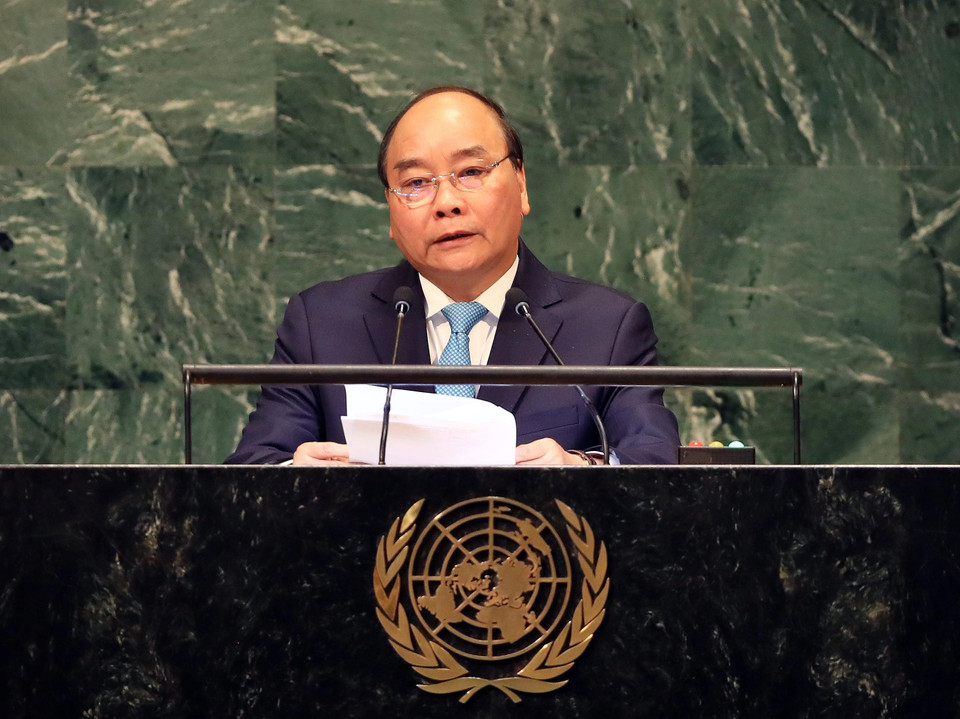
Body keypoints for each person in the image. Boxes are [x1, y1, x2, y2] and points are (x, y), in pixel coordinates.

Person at [226, 86, 680, 466]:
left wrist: (583, 467)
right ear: (389, 209)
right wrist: (292, 474)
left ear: (521, 183)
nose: (446, 202)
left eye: (471, 172)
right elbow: (250, 471)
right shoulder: (321, 324)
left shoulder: (609, 326)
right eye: (417, 183)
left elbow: (657, 465)